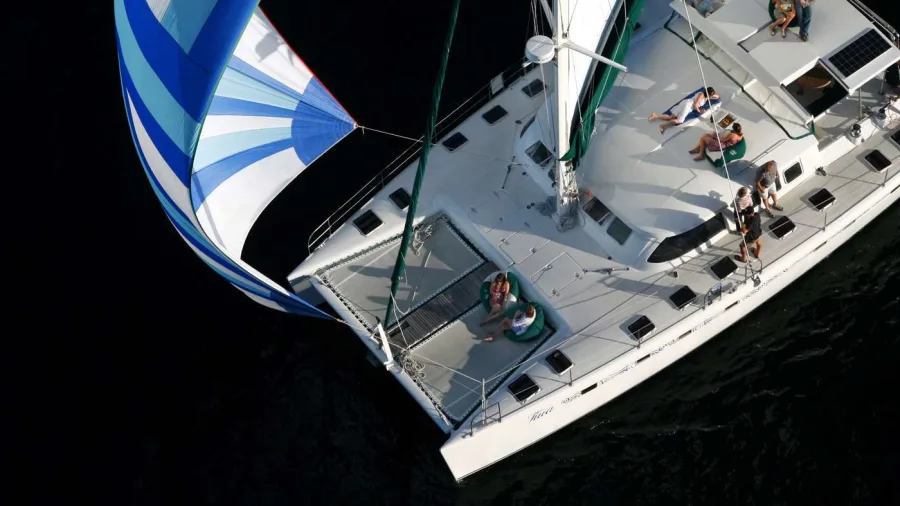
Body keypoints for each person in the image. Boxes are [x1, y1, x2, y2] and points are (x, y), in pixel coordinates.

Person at [648, 87, 720, 134]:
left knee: (671, 117)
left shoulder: (706, 97)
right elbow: (695, 104)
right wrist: (700, 111)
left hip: (687, 104)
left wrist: (712, 95)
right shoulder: (701, 95)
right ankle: (662, 125)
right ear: (708, 93)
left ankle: (655, 115)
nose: (711, 96)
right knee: (679, 120)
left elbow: (717, 96)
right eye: (710, 95)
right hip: (688, 105)